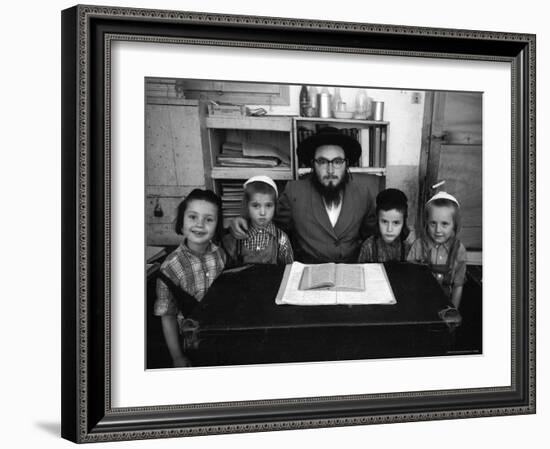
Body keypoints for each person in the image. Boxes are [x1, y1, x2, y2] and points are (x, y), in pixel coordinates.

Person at [229, 127, 377, 263]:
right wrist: (244, 219)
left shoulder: (363, 193)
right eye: (322, 161)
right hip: (309, 271)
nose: (330, 170)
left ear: (346, 164)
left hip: (351, 270)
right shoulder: (295, 191)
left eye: (337, 161)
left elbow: (373, 235)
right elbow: (269, 221)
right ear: (313, 164)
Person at [154, 189, 226, 367]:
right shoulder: (170, 268)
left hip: (222, 338)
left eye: (209, 219)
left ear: (217, 225)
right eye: (193, 217)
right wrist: (177, 357)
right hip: (192, 346)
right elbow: (168, 316)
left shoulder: (220, 255)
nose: (200, 224)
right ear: (182, 220)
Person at [407, 191, 467, 308]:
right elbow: (409, 280)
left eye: (444, 224)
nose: (438, 230)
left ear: (454, 225)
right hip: (419, 304)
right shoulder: (418, 246)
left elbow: (458, 285)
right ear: (426, 223)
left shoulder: (458, 250)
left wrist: (453, 311)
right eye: (433, 223)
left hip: (445, 307)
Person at [222, 175, 294, 266]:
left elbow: (289, 271)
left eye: (268, 205)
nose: (263, 212)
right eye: (256, 206)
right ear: (247, 206)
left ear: (275, 206)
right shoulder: (236, 239)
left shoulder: (281, 239)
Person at [357, 188, 415, 262]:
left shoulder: (409, 247)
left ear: (404, 222)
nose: (389, 229)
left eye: (396, 223)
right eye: (384, 222)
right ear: (377, 220)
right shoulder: (369, 247)